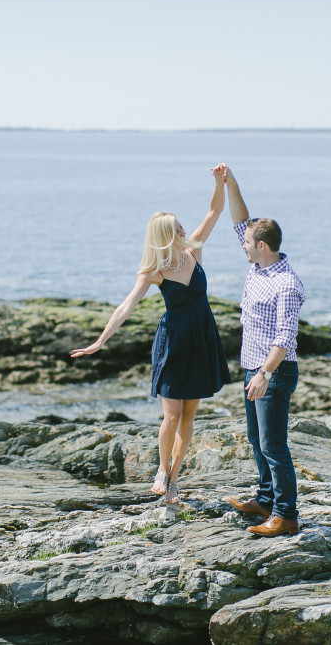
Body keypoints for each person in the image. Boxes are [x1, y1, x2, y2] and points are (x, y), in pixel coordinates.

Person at [71, 166, 232, 504]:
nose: (184, 229)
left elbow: (215, 210)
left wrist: (219, 183)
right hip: (174, 341)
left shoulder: (194, 252)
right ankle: (162, 469)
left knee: (189, 415)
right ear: (164, 234)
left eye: (181, 225)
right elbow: (126, 306)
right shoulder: (154, 270)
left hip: (202, 336)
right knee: (171, 414)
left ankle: (174, 477)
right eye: (176, 227)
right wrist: (101, 341)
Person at [222, 165, 306, 538]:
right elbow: (241, 221)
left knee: (274, 445)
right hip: (252, 367)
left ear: (262, 246)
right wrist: (230, 184)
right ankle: (266, 499)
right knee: (257, 440)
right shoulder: (258, 266)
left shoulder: (286, 284)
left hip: (273, 371)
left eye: (248, 241)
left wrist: (264, 374)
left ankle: (286, 515)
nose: (242, 243)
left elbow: (286, 337)